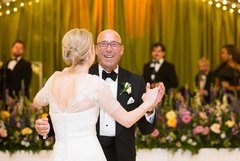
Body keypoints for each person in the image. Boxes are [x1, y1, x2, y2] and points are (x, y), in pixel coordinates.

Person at [33, 28, 165, 161]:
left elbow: (146, 129)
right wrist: (46, 127)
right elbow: (64, 115)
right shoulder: (91, 81)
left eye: (114, 44)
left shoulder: (136, 81)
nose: (108, 49)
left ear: (122, 49)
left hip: (122, 156)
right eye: (103, 44)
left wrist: (149, 108)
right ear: (93, 50)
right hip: (92, 153)